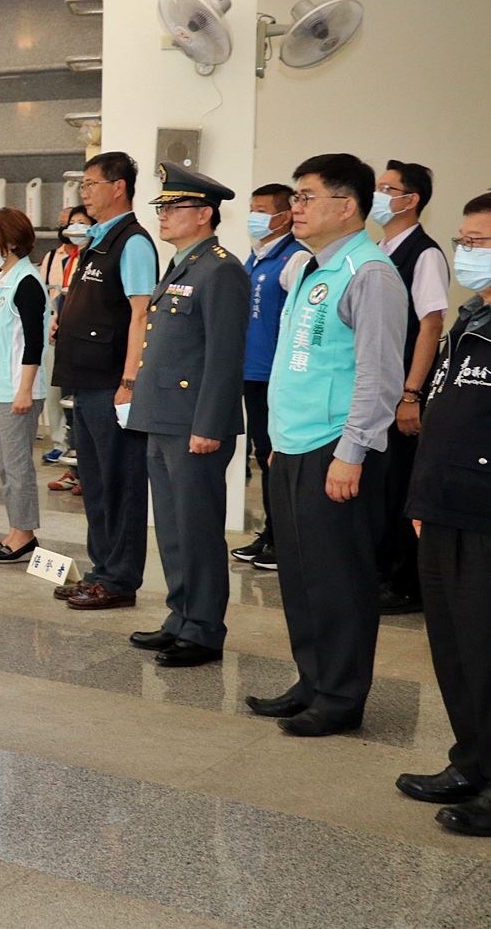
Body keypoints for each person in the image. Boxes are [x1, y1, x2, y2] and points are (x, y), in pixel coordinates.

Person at [247, 153, 406, 738]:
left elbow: (378, 374)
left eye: (307, 197)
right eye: (295, 196)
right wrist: (279, 441)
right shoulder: (309, 268)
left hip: (337, 447)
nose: (296, 207)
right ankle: (311, 681)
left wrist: (352, 451)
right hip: (294, 444)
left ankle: (340, 697)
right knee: (301, 574)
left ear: (348, 206)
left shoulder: (372, 274)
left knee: (338, 579)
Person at [124, 164, 249, 667]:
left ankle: (203, 630)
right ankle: (180, 617)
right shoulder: (183, 264)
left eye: (173, 208)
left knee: (197, 528)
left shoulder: (221, 269)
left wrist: (209, 425)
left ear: (204, 214)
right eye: (162, 208)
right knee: (173, 527)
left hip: (194, 423)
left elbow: (224, 355)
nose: (163, 216)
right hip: (164, 417)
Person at [398, 193, 491, 834]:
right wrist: (422, 501)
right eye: (463, 240)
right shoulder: (471, 320)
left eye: (478, 242)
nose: (465, 253)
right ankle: (472, 762)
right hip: (443, 504)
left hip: (486, 515)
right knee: (454, 647)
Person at [53, 152, 159, 611]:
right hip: (87, 380)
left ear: (119, 187)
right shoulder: (98, 241)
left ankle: (120, 580)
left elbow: (141, 314)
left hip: (113, 384)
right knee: (94, 483)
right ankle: (100, 570)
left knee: (121, 483)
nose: (85, 193)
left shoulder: (132, 242)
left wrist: (130, 380)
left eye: (91, 184)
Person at [372, 159, 448, 615]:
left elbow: (431, 323)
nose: (379, 195)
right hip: (378, 389)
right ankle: (383, 572)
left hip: (404, 389)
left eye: (388, 188)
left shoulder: (425, 253)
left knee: (401, 487)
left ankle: (405, 584)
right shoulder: (379, 247)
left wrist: (411, 393)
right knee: (380, 488)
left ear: (410, 199)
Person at [231, 183, 311, 571]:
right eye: (252, 209)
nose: (255, 216)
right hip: (250, 371)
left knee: (275, 456)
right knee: (263, 455)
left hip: (274, 376)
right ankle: (271, 532)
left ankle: (285, 539)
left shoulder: (295, 259)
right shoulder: (257, 257)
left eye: (262, 209)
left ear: (284, 216)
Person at [0, 209, 48, 565]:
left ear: (12, 241)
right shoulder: (1, 279)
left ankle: (25, 534)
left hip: (18, 391)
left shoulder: (27, 282)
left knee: (18, 466)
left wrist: (25, 390)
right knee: (6, 465)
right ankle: (17, 528)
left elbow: (34, 344)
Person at [40, 206, 91, 467]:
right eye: (69, 223)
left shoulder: (92, 258)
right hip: (56, 330)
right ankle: (62, 446)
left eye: (81, 223)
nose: (72, 228)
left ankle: (78, 457)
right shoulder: (57, 258)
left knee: (77, 401)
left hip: (81, 339)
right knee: (56, 393)